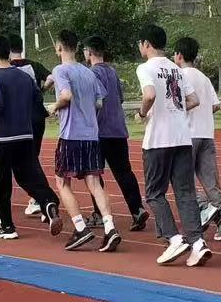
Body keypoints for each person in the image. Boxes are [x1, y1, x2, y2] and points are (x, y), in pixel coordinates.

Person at [136, 25, 211, 268]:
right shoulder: (176, 69)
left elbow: (149, 95)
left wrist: (142, 113)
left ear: (146, 44)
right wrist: (175, 110)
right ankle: (198, 243)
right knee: (185, 193)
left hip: (158, 139)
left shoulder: (146, 68)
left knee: (154, 193)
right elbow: (194, 100)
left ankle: (174, 238)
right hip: (182, 138)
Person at [49, 31, 122, 253]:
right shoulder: (89, 73)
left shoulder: (61, 70)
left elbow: (66, 96)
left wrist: (54, 107)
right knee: (94, 183)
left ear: (59, 47)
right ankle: (109, 227)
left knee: (62, 182)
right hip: (91, 135)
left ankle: (80, 227)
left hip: (70, 135)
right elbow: (99, 102)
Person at [0, 35, 59, 240]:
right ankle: (48, 202)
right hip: (26, 135)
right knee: (28, 176)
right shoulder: (25, 77)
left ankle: (5, 226)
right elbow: (37, 99)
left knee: (1, 182)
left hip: (3, 137)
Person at [174, 36, 221, 243]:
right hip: (206, 134)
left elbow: (175, 104)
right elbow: (216, 105)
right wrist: (203, 115)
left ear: (179, 55)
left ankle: (204, 207)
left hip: (187, 135)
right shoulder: (203, 77)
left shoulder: (178, 76)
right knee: (211, 182)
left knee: (184, 180)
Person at [86, 35, 148, 230]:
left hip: (99, 131)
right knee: (124, 172)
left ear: (89, 52)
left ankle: (99, 213)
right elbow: (119, 99)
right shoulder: (112, 72)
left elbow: (96, 100)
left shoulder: (91, 74)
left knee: (94, 175)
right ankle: (137, 209)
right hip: (118, 129)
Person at [7, 34, 52, 220]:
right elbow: (51, 77)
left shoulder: (8, 69)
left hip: (21, 119)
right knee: (32, 158)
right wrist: (42, 90)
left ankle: (44, 199)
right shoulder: (34, 65)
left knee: (24, 162)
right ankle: (40, 199)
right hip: (38, 116)